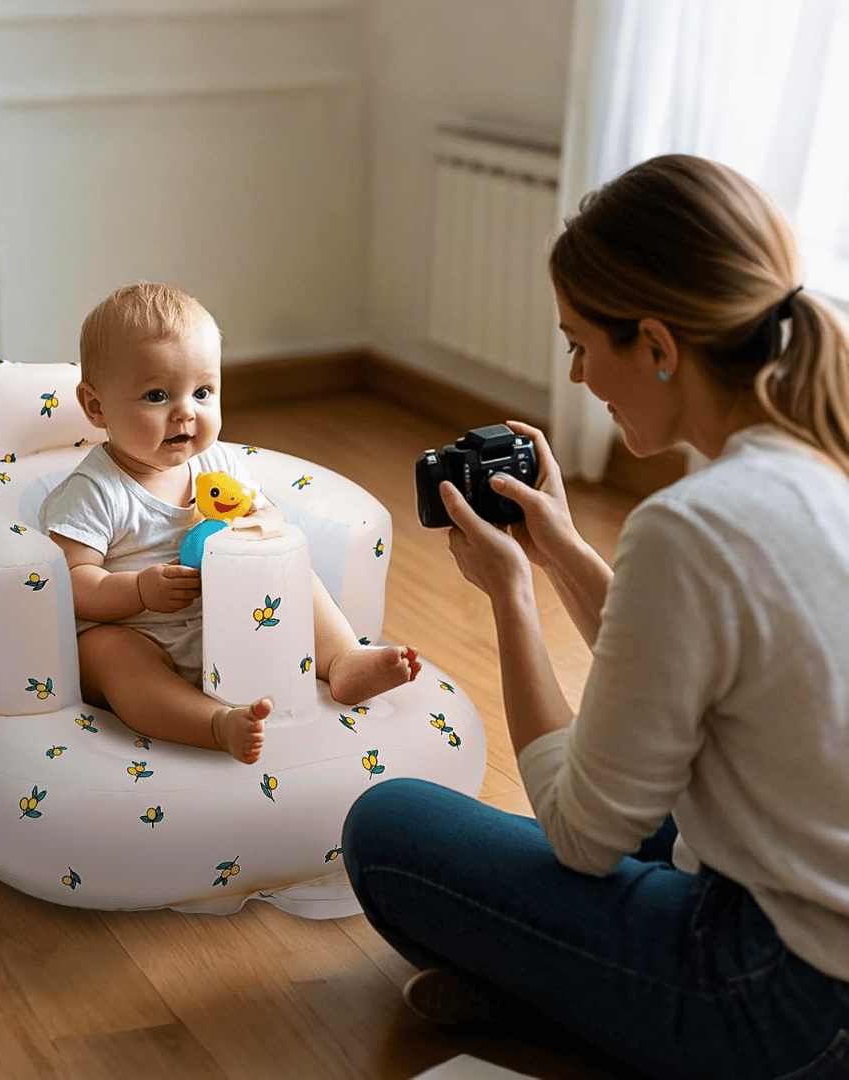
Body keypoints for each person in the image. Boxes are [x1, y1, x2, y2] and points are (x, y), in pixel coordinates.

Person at [341, 154, 849, 1078]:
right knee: (636, 808)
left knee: (390, 830)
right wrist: (564, 550)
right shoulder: (817, 466)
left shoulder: (692, 523)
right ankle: (576, 988)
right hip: (808, 921)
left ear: (657, 343)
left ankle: (572, 999)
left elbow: (583, 835)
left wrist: (512, 598)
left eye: (580, 343)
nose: (575, 375)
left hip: (781, 998)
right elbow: (690, 673)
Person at [39, 283, 420, 765]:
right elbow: (70, 583)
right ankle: (212, 723)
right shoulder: (93, 490)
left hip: (225, 622)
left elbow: (266, 516)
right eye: (157, 396)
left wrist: (261, 528)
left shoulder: (217, 465)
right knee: (108, 653)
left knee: (292, 571)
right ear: (96, 407)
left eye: (202, 392)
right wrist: (137, 591)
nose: (185, 412)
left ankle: (342, 659)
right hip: (136, 632)